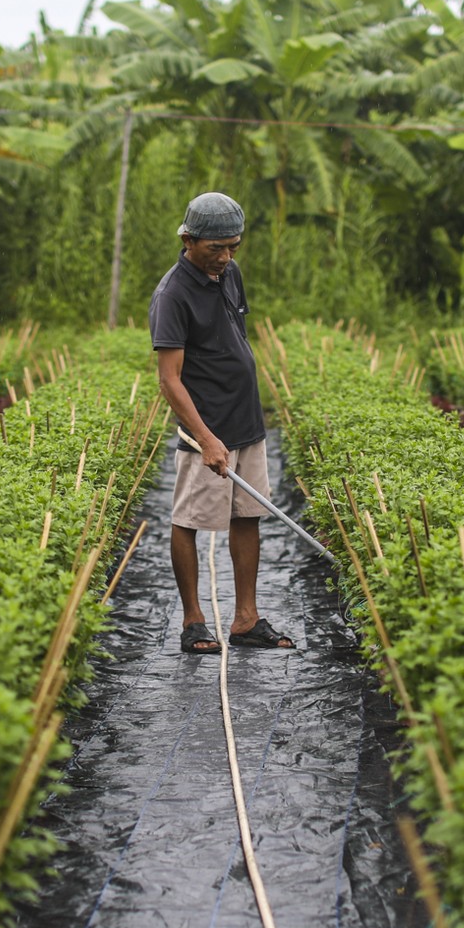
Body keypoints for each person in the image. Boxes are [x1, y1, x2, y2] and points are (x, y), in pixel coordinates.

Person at [150, 191, 296, 655]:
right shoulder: (172, 294)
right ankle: (194, 621)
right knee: (188, 519)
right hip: (205, 428)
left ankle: (246, 619)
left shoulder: (229, 273)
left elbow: (234, 337)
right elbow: (170, 380)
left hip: (246, 419)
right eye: (217, 248)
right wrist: (206, 438)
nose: (227, 256)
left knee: (248, 515)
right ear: (188, 239)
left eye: (234, 246)